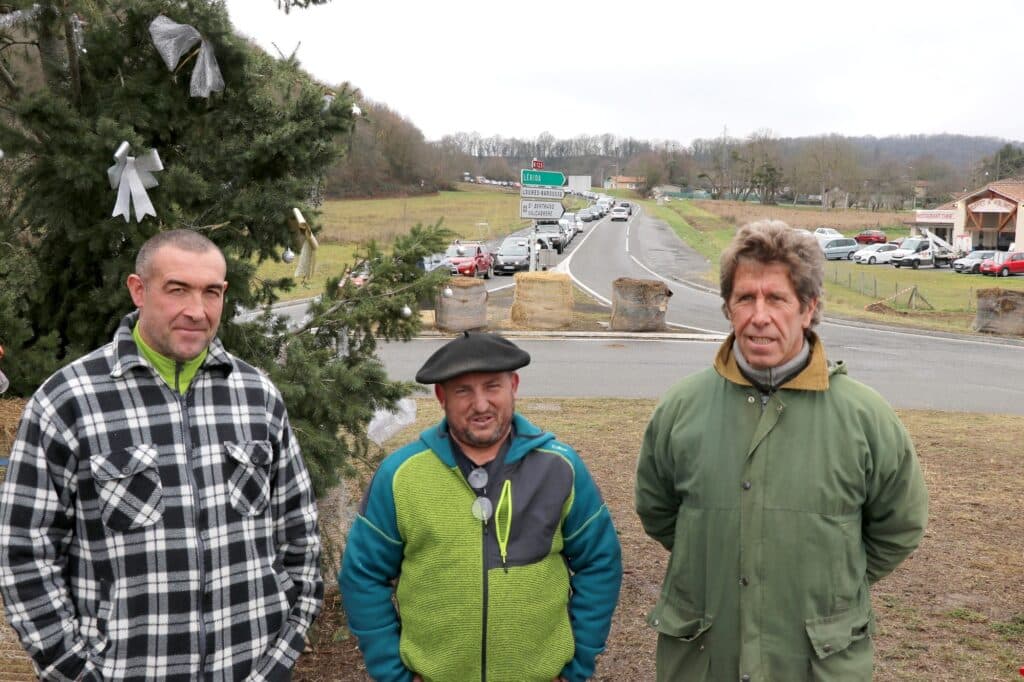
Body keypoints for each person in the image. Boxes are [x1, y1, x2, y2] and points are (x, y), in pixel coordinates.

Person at [0, 229, 323, 681]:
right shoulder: (69, 400)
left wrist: (284, 647)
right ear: (139, 290)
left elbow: (298, 530)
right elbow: (24, 551)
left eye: (211, 292)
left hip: (252, 669)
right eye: (177, 289)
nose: (197, 310)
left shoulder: (257, 395)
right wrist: (73, 670)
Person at [635, 220, 928, 681]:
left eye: (777, 299)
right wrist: (723, 551)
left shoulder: (866, 417)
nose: (759, 316)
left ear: (808, 308)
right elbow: (658, 511)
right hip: (705, 660)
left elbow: (899, 525)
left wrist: (835, 577)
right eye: (745, 298)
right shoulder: (680, 409)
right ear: (728, 308)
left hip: (818, 663)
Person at [339, 332, 622, 682]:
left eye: (492, 387)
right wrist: (391, 672)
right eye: (463, 391)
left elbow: (600, 562)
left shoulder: (559, 468)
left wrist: (577, 665)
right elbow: (362, 574)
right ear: (441, 397)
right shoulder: (401, 475)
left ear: (513, 386)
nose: (481, 404)